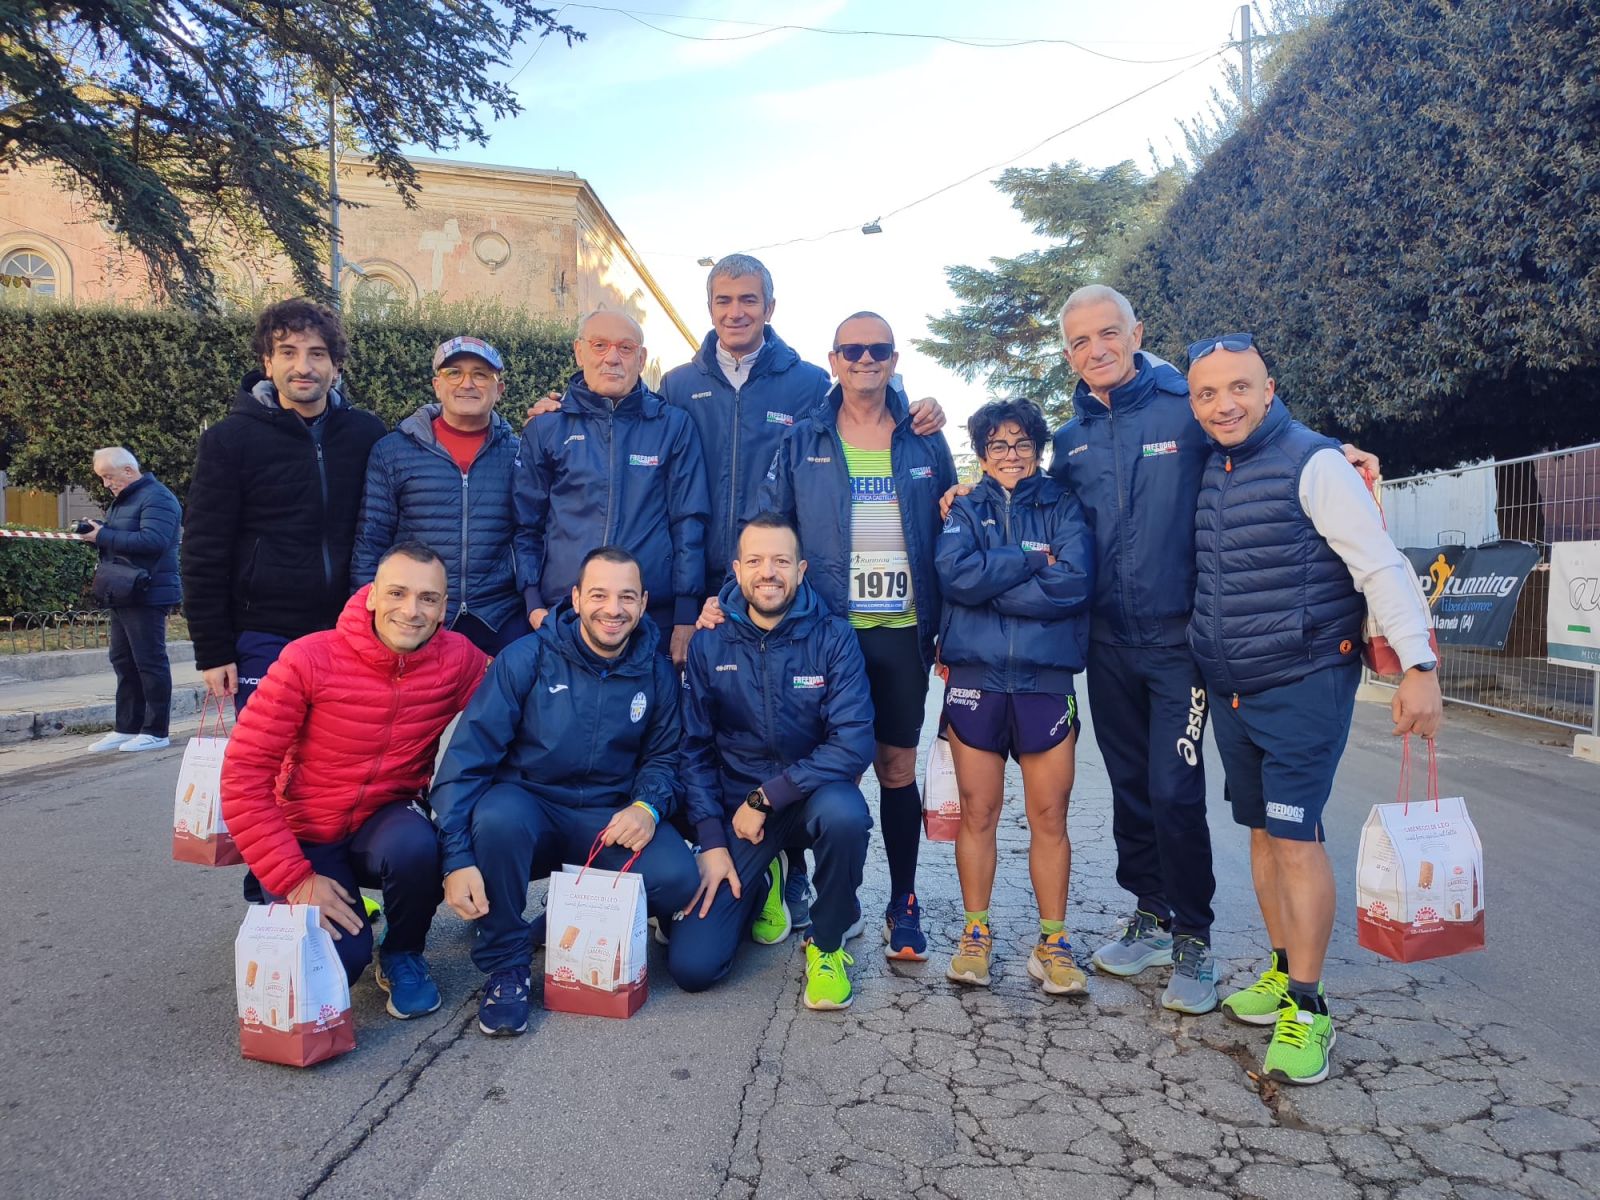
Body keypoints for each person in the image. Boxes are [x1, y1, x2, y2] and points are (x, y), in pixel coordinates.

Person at [535, 257, 947, 929]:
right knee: (742, 733)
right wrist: (562, 406)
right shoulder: (678, 383)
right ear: (710, 305)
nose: (736, 311)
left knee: (882, 763)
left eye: (748, 299)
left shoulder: (814, 386)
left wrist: (919, 405)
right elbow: (630, 420)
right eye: (723, 299)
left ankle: (875, 891)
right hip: (735, 588)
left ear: (770, 306)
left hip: (826, 600)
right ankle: (754, 866)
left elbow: (919, 491)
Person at [1185, 332, 1441, 1086]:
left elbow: (1380, 565)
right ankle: (1278, 969)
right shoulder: (1213, 462)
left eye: (1239, 387)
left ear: (1269, 388)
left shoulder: (1317, 462)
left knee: (1297, 840)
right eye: (1206, 393)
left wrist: (1418, 667)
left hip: (1303, 682)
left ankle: (1309, 1004)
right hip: (1233, 686)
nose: (1223, 403)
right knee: (1263, 834)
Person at [430, 546, 699, 1037]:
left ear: (643, 603)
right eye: (598, 594)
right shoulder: (526, 659)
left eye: (625, 597)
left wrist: (648, 806)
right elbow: (466, 762)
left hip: (605, 816)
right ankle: (507, 968)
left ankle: (560, 920)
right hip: (530, 806)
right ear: (575, 598)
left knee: (678, 877)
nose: (611, 609)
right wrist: (456, 858)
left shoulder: (656, 672)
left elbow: (664, 758)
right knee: (496, 818)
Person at [757, 311, 957, 960]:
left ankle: (904, 901)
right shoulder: (804, 437)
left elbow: (955, 531)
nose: (865, 359)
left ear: (894, 360)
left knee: (896, 769)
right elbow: (771, 531)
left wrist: (952, 629)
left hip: (901, 632)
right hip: (823, 634)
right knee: (812, 768)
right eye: (852, 350)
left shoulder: (923, 437)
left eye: (878, 350)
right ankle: (819, 899)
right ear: (834, 359)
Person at [220, 543, 488, 1020]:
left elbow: (514, 702)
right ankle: (276, 891)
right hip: (303, 831)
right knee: (334, 967)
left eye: (428, 598)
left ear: (445, 607)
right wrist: (295, 880)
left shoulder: (459, 658)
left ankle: (404, 952)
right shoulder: (308, 658)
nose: (411, 610)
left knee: (419, 842)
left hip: (383, 821)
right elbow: (243, 777)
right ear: (371, 596)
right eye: (398, 593)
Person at [669, 513, 874, 1009]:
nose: (769, 572)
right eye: (756, 561)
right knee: (693, 967)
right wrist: (712, 841)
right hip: (738, 810)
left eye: (781, 561)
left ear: (801, 570)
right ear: (736, 571)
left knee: (848, 816)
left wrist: (769, 796)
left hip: (808, 796)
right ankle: (765, 883)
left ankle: (827, 942)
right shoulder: (710, 641)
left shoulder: (834, 637)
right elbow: (692, 749)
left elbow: (853, 743)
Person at [934, 400, 1095, 995]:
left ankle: (1052, 942)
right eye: (998, 445)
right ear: (981, 454)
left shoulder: (1062, 504)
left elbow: (1075, 582)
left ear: (1038, 450)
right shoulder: (965, 508)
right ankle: (975, 933)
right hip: (975, 681)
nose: (1011, 455)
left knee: (1048, 816)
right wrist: (1031, 561)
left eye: (1022, 443)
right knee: (979, 813)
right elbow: (956, 576)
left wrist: (993, 583)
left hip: (1045, 684)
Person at [183, 297, 386, 711]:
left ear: (336, 365)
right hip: (263, 633)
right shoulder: (228, 440)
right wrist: (213, 649)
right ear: (267, 362)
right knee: (270, 761)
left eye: (317, 354)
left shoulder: (366, 433)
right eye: (288, 352)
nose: (303, 367)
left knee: (343, 759)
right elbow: (203, 550)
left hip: (350, 631)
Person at [512, 310, 709, 668]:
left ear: (641, 358)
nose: (612, 358)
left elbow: (689, 523)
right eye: (599, 346)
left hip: (649, 616)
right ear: (579, 352)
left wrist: (684, 613)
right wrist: (533, 604)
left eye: (625, 347)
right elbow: (526, 524)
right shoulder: (547, 428)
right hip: (562, 615)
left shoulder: (673, 426)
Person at [354, 336, 524, 656]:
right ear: (436, 385)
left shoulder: (519, 454)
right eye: (454, 373)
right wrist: (365, 617)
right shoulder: (393, 452)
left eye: (481, 374)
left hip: (497, 618)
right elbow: (371, 540)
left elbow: (528, 536)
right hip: (417, 618)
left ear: (499, 389)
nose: (467, 383)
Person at [81, 446, 182, 753]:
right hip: (124, 589)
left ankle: (155, 730)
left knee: (149, 661)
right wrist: (97, 530)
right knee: (123, 660)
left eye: (108, 476)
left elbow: (153, 541)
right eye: (102, 478)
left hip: (148, 591)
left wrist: (103, 536)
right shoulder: (124, 500)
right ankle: (127, 727)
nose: (106, 484)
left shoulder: (158, 497)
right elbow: (124, 537)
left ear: (128, 470)